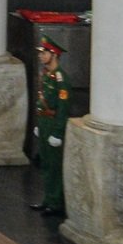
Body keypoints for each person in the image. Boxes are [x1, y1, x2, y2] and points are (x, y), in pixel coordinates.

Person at [32, 35, 70, 217]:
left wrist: (58, 132)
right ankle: (48, 199)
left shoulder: (61, 79)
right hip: (45, 121)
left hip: (54, 123)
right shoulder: (47, 75)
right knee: (46, 164)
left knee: (55, 165)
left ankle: (56, 202)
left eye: (44, 53)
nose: (41, 56)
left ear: (54, 54)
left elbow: (63, 107)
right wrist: (40, 124)